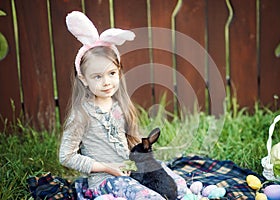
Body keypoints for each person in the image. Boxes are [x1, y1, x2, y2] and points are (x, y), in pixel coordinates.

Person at [59, 11, 188, 199]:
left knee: (178, 184)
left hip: (130, 171)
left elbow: (129, 145)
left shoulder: (119, 106)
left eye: (111, 73)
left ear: (119, 71)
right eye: (97, 76)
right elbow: (66, 156)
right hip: (104, 180)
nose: (107, 82)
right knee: (151, 197)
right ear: (83, 79)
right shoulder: (81, 115)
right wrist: (107, 168)